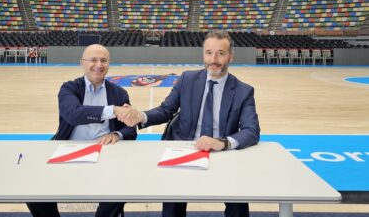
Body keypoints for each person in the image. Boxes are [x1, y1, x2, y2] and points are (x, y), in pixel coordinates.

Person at [119, 31, 260, 217]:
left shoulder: (243, 91)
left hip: (222, 152)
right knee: (172, 209)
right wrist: (141, 116)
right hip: (185, 148)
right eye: (209, 53)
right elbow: (165, 110)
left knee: (239, 207)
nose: (213, 59)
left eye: (221, 53)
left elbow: (252, 131)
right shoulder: (187, 79)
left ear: (230, 56)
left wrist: (223, 143)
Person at [27, 44, 137, 217]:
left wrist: (117, 133)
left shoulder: (119, 92)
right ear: (82, 63)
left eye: (104, 60)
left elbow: (131, 129)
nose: (99, 65)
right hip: (68, 149)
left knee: (121, 187)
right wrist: (112, 110)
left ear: (109, 64)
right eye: (93, 60)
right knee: (33, 189)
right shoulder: (69, 88)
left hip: (105, 153)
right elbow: (73, 114)